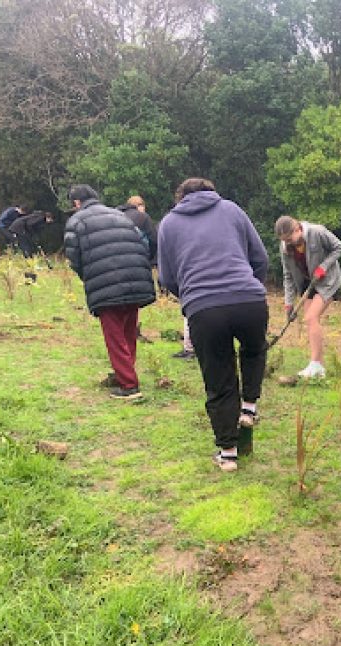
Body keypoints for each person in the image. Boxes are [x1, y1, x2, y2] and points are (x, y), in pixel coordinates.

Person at [158, 178, 269, 472]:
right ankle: (250, 406)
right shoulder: (232, 210)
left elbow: (167, 277)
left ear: (179, 197)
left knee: (218, 380)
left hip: (204, 309)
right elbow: (260, 257)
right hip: (248, 299)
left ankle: (228, 454)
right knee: (254, 350)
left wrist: (192, 298)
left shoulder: (168, 224)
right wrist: (249, 287)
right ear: (211, 191)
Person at [64, 185, 155, 400]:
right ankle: (125, 373)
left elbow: (74, 257)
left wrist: (88, 277)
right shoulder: (121, 216)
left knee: (114, 335)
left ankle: (129, 386)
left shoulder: (77, 221)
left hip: (106, 284)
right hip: (135, 279)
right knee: (128, 331)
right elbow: (144, 243)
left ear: (77, 202)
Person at [274, 215, 341, 379]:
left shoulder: (317, 232)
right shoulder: (285, 246)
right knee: (309, 320)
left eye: (290, 238)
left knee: (311, 317)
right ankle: (318, 367)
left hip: (327, 280)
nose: (288, 243)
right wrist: (288, 304)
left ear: (298, 229)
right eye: (285, 240)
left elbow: (339, 247)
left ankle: (316, 364)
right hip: (307, 284)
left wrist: (324, 267)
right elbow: (288, 276)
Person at [116, 195, 158, 343]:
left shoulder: (115, 216)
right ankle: (131, 331)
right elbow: (154, 240)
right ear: (140, 206)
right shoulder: (143, 217)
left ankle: (122, 331)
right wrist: (148, 258)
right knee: (133, 301)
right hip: (137, 262)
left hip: (116, 264)